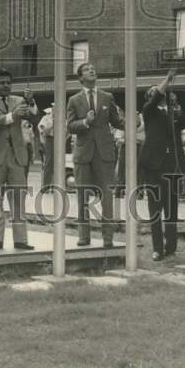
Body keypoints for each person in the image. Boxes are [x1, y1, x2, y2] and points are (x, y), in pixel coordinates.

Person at [66, 61, 123, 249]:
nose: (92, 71)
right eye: (87, 70)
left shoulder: (107, 97)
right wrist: (85, 122)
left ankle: (108, 238)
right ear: (81, 77)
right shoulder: (74, 100)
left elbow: (116, 121)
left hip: (104, 152)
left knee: (106, 195)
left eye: (93, 68)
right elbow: (70, 126)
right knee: (82, 195)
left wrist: (133, 122)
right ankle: (84, 236)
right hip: (83, 153)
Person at [0, 69, 40, 251]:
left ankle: (20, 240)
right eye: (1, 82)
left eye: (8, 82)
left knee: (18, 199)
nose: (6, 85)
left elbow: (33, 116)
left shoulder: (18, 100)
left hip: (17, 157)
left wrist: (31, 101)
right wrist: (12, 116)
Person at [140, 69, 185, 261]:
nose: (158, 93)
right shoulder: (148, 111)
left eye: (159, 91)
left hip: (172, 166)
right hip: (153, 166)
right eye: (153, 91)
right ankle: (157, 248)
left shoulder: (172, 112)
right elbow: (155, 99)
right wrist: (166, 81)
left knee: (172, 209)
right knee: (155, 209)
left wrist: (176, 106)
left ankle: (171, 247)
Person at [38, 105, 56, 189]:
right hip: (50, 140)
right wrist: (53, 122)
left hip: (59, 140)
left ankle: (55, 184)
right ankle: (46, 185)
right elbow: (44, 131)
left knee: (58, 163)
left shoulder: (62, 117)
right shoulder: (46, 118)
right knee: (49, 163)